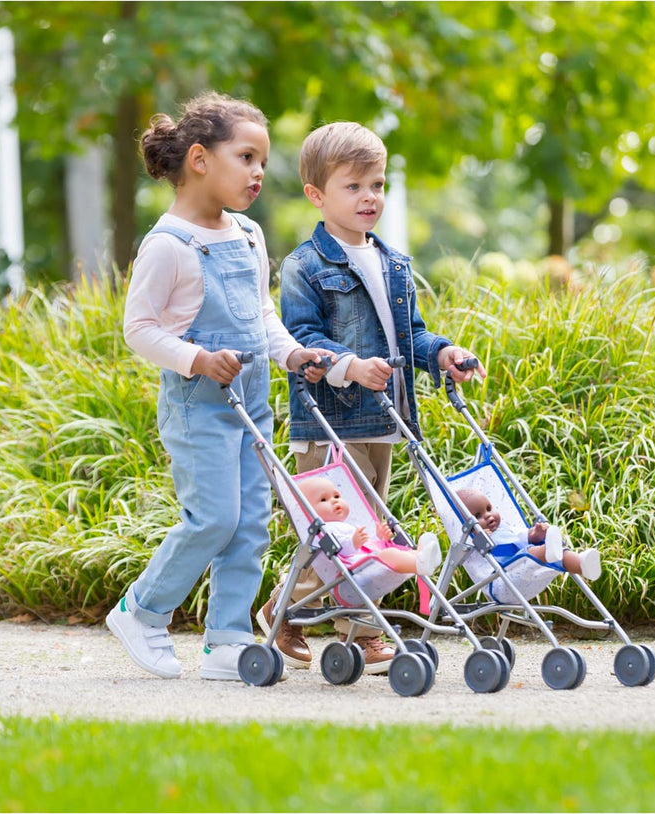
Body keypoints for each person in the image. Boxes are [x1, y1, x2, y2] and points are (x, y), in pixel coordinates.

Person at [106, 91, 331, 681]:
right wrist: (197, 358)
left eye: (263, 160)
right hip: (197, 408)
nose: (259, 172)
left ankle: (227, 641)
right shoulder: (167, 245)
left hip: (251, 405)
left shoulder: (249, 236)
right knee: (213, 518)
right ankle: (142, 611)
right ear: (200, 159)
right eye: (246, 157)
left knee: (251, 522)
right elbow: (139, 330)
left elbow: (261, 314)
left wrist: (291, 353)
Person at [258, 121, 484, 674]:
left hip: (387, 417)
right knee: (331, 531)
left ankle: (359, 631)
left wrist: (443, 353)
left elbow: (413, 334)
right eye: (353, 187)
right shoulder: (304, 266)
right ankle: (286, 610)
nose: (370, 198)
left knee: (368, 532)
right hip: (330, 420)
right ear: (317, 194)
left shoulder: (394, 264)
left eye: (377, 185)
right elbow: (302, 340)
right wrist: (349, 367)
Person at [298, 477, 442, 575]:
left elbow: (368, 546)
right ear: (307, 511)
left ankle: (423, 556)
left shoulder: (345, 525)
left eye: (336, 496)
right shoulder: (323, 530)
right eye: (324, 500)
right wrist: (353, 541)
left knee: (397, 552)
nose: (335, 501)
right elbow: (339, 550)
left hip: (367, 561)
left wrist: (382, 539)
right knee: (389, 555)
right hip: (355, 568)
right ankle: (420, 562)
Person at [456, 488, 602, 580]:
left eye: (489, 508)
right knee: (530, 552)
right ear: (466, 525)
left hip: (532, 565)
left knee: (559, 554)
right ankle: (547, 551)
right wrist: (481, 538)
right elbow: (471, 561)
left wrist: (536, 534)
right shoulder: (474, 542)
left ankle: (582, 564)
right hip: (505, 577)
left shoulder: (507, 530)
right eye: (478, 516)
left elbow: (524, 537)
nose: (488, 516)